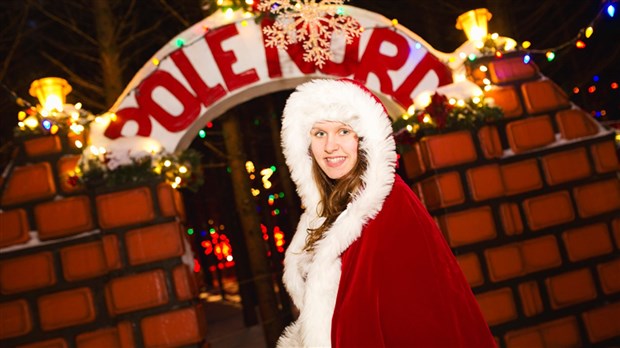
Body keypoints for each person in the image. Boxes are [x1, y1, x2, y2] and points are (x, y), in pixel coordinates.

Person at [277, 78, 496, 348]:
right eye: (319, 133)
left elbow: (415, 322)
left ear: (365, 138)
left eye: (344, 131)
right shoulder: (331, 211)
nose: (330, 146)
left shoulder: (389, 204)